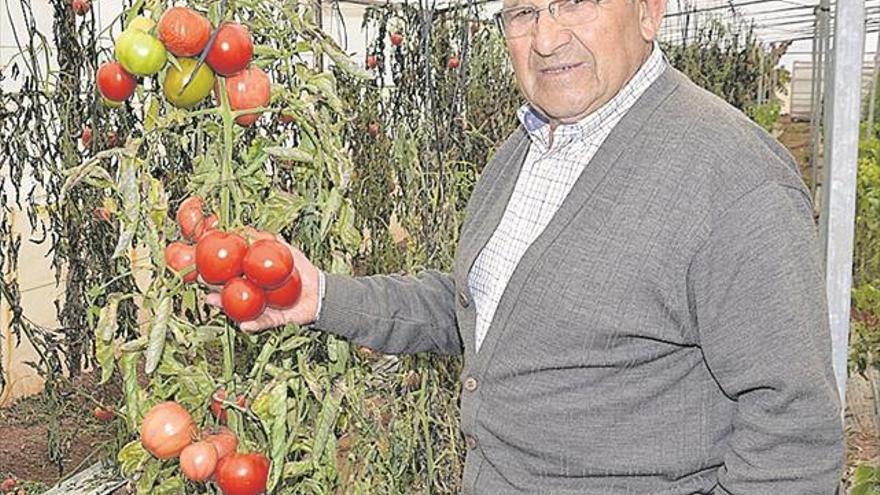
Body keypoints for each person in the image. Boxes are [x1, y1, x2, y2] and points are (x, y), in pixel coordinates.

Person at [210, 0, 845, 492]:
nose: (545, 38)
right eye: (523, 12)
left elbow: (794, 429)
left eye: (576, 3)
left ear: (650, 12)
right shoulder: (527, 151)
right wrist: (320, 296)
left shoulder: (730, 175)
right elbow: (482, 310)